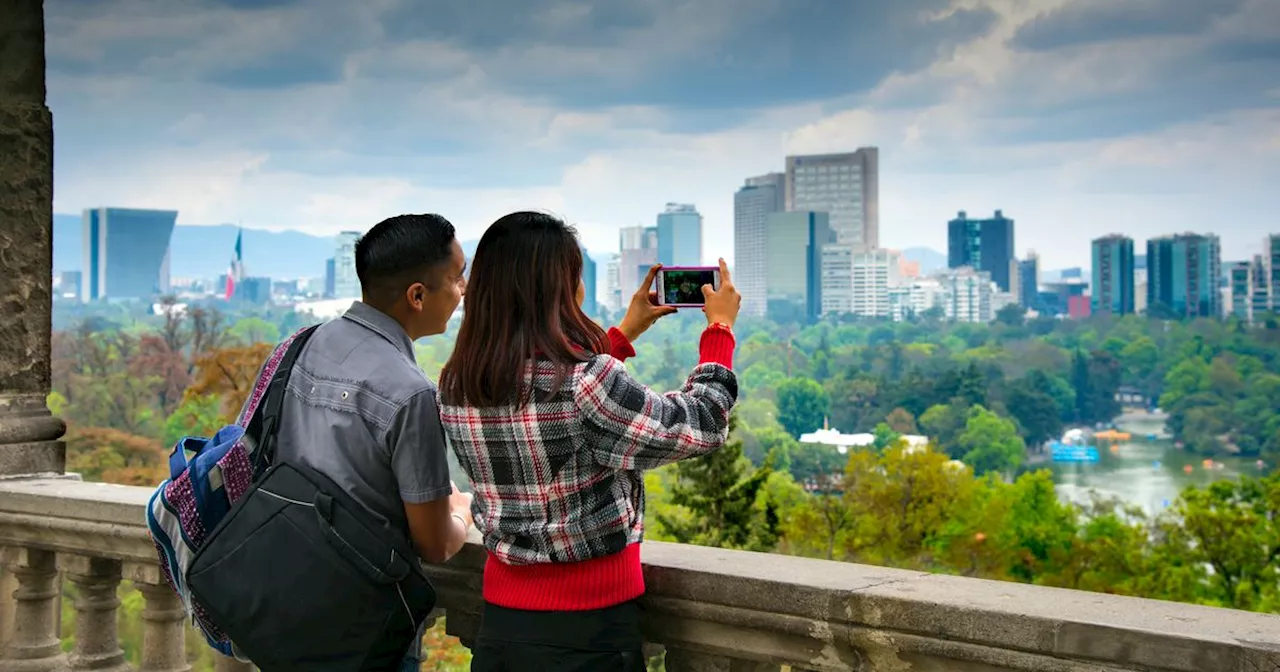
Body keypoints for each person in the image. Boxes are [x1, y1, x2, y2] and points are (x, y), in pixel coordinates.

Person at [438, 211, 741, 671]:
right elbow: (700, 423)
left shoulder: (458, 383)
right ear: (562, 290)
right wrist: (719, 333)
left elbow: (557, 403)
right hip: (589, 632)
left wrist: (623, 334)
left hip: (501, 629)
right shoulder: (585, 384)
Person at [259, 213, 475, 670]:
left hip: (281, 599)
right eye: (457, 279)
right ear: (417, 295)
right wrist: (461, 513)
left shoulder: (298, 346)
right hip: (363, 629)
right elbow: (434, 544)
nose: (464, 291)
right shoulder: (410, 392)